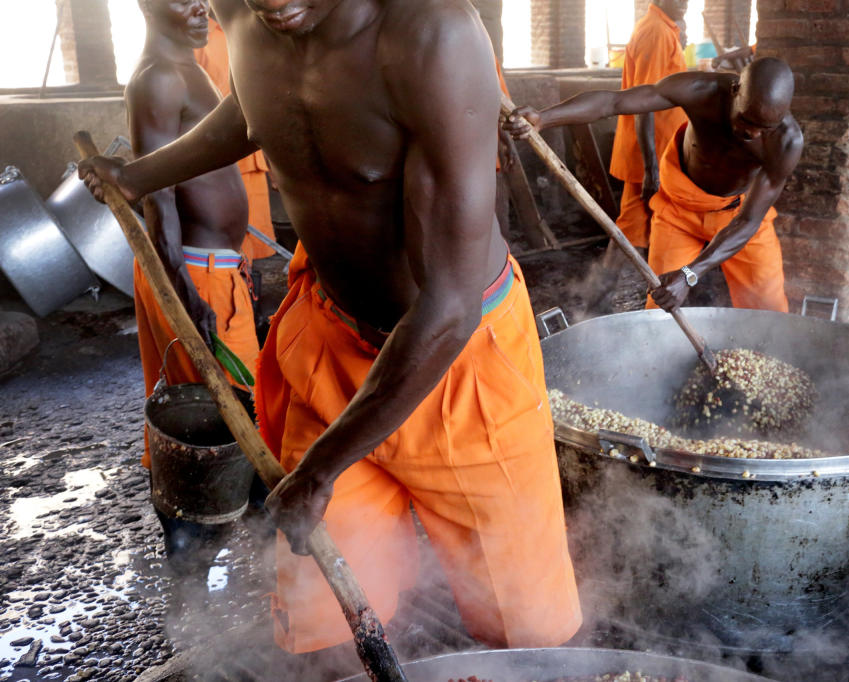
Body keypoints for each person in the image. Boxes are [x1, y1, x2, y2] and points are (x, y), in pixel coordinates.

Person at [80, 0, 581, 655]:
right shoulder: (246, 16)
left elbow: (449, 304)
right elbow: (254, 110)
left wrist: (317, 472)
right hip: (330, 345)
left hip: (463, 364)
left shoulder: (432, 36)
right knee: (329, 630)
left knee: (526, 631)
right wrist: (140, 173)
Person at [124, 0, 260, 562]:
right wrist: (185, 294)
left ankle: (206, 552)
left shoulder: (189, 67)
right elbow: (158, 197)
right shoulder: (157, 79)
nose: (201, 5)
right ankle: (191, 566)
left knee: (224, 411)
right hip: (197, 276)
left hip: (214, 271)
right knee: (227, 416)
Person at [505, 57, 802, 313]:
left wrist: (690, 275)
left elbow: (750, 221)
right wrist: (544, 118)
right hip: (679, 211)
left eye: (765, 128)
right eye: (746, 120)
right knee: (661, 305)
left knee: (769, 308)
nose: (752, 133)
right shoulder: (701, 91)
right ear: (735, 90)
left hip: (738, 217)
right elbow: (614, 101)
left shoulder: (787, 143)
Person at [193, 11, 277, 262]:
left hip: (253, 145)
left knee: (258, 232)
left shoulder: (249, 29)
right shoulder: (198, 37)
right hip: (217, 150)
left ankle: (251, 288)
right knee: (230, 235)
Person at [609, 0, 688, 252]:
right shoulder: (656, 32)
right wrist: (650, 167)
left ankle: (603, 287)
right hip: (650, 155)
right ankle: (598, 289)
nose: (685, 2)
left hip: (662, 151)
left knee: (645, 230)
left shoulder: (666, 29)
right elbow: (643, 102)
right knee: (630, 233)